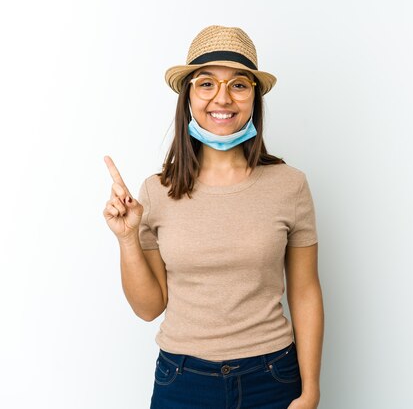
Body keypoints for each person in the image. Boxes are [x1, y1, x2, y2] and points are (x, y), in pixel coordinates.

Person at [102, 25, 323, 409]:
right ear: (188, 95)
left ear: (254, 96)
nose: (222, 98)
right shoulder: (157, 191)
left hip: (272, 376)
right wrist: (127, 238)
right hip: (182, 381)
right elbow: (149, 307)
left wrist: (311, 390)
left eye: (238, 85)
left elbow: (305, 291)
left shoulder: (290, 185)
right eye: (206, 84)